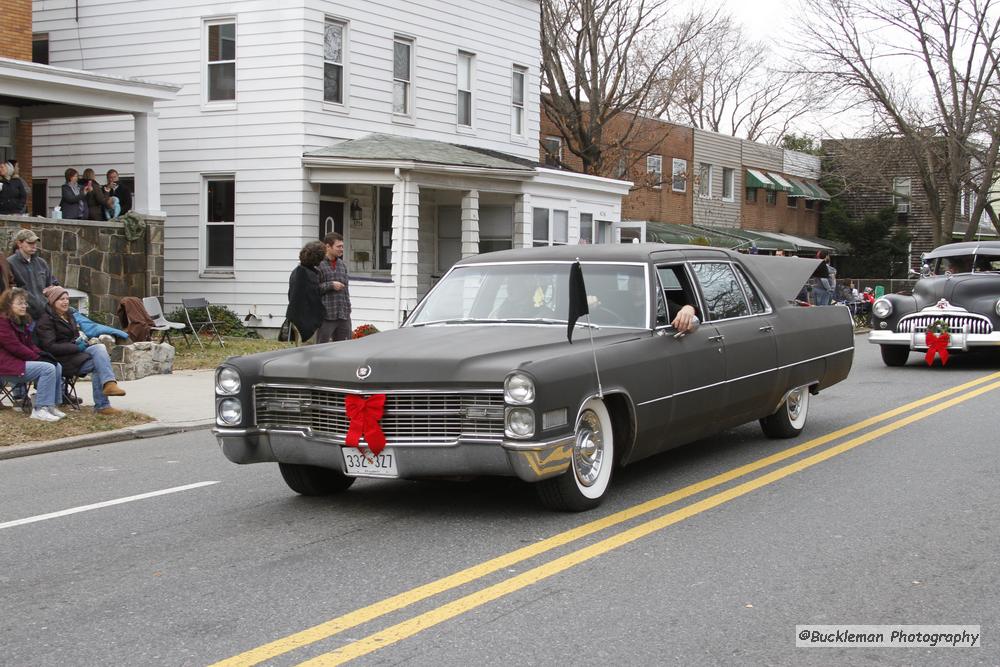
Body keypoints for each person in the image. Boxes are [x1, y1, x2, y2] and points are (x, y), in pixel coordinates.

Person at [36, 286, 126, 415]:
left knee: (99, 349)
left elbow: (73, 336)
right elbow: (50, 347)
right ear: (53, 301)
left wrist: (80, 340)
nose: (66, 302)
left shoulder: (69, 315)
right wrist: (76, 347)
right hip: (60, 361)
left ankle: (106, 395)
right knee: (98, 363)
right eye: (61, 299)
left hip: (75, 356)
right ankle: (104, 400)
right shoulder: (46, 320)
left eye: (67, 298)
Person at [0, 288, 65, 422]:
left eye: (25, 303)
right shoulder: (3, 323)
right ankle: (39, 409)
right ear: (8, 305)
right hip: (7, 365)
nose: (24, 306)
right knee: (47, 368)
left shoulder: (22, 321)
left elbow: (30, 344)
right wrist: (38, 358)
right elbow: (15, 347)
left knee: (56, 365)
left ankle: (50, 405)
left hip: (19, 362)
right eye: (20, 303)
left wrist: (42, 354)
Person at [7, 228, 60, 320]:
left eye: (35, 243)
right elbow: (9, 291)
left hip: (44, 315)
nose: (34, 246)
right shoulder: (9, 263)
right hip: (23, 316)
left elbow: (52, 284)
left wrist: (52, 290)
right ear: (19, 244)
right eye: (30, 243)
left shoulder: (41, 263)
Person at [286, 241, 326, 344]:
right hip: (305, 321)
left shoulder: (298, 271)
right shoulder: (306, 275)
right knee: (305, 353)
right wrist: (321, 313)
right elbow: (313, 298)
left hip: (297, 318)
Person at [317, 232, 352, 342]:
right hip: (326, 316)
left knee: (345, 348)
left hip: (343, 315)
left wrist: (348, 307)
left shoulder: (342, 264)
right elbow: (313, 289)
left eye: (342, 246)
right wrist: (331, 285)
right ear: (328, 246)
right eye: (338, 246)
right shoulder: (318, 264)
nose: (341, 249)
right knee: (321, 348)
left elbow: (346, 290)